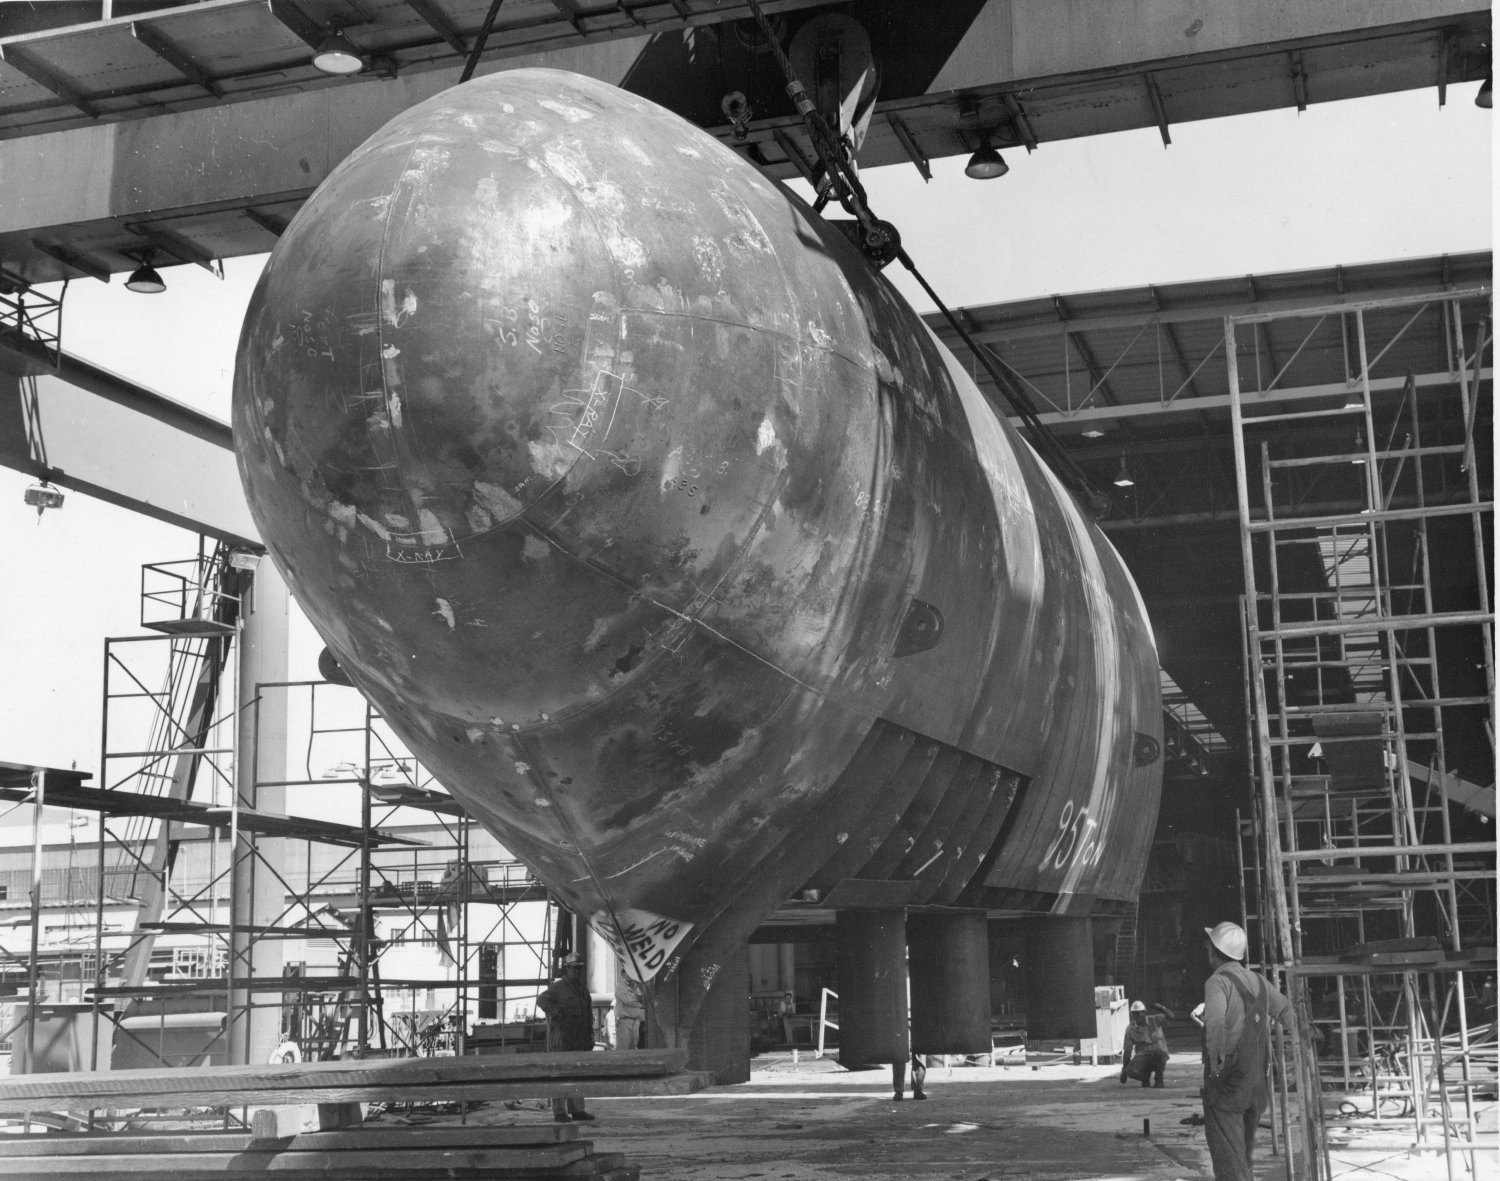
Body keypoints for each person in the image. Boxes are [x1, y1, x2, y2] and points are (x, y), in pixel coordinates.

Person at [1200, 921, 1294, 1181]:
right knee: (1244, 1155)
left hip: (1230, 1083)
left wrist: (1216, 1069)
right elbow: (1286, 1010)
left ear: (1214, 951)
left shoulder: (1217, 982)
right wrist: (1307, 1032)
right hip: (1258, 1082)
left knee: (1229, 1158)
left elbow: (1215, 1025)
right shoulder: (1259, 981)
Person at [536, 951, 595, 1122]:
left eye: (579, 968)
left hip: (579, 1039)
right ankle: (560, 1112)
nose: (577, 971)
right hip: (562, 1040)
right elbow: (541, 1000)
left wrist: (590, 1035)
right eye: (574, 968)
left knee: (577, 1075)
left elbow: (588, 1014)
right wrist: (555, 1012)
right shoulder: (558, 987)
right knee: (560, 1075)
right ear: (567, 969)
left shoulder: (582, 989)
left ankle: (577, 1110)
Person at [1120, 998, 1175, 1087]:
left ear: (1144, 1013)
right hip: (1143, 1057)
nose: (1135, 1016)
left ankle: (1159, 1079)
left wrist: (1161, 1008)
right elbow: (1127, 1052)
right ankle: (1145, 1077)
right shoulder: (1130, 1029)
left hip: (1158, 1055)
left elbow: (1171, 1016)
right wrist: (1124, 1071)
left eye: (1138, 1013)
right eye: (1133, 1014)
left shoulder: (1154, 1020)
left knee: (1158, 1054)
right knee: (1130, 1070)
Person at [614, 970, 645, 1051]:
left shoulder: (637, 986)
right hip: (625, 1022)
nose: (629, 974)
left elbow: (644, 999)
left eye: (631, 971)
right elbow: (629, 1001)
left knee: (633, 1049)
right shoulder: (620, 986)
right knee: (623, 1050)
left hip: (637, 1021)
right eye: (626, 972)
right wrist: (642, 1004)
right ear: (623, 974)